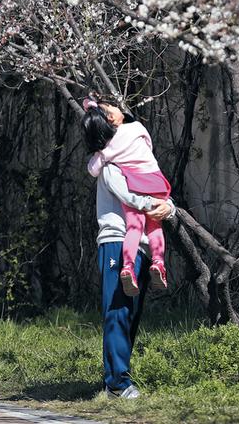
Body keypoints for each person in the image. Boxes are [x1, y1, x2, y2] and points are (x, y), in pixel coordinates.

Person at [95, 160, 175, 398]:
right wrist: (159, 205)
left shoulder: (142, 167)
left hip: (142, 248)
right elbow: (130, 196)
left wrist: (169, 208)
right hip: (116, 242)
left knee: (131, 314)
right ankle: (117, 383)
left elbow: (161, 192)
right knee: (118, 310)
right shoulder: (111, 167)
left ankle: (117, 379)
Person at [83, 97, 171, 297]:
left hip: (133, 183)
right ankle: (159, 262)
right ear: (112, 118)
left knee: (134, 226)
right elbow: (148, 144)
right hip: (154, 181)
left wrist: (103, 151)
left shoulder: (108, 150)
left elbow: (92, 169)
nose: (117, 106)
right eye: (113, 107)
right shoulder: (137, 128)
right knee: (155, 226)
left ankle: (127, 267)